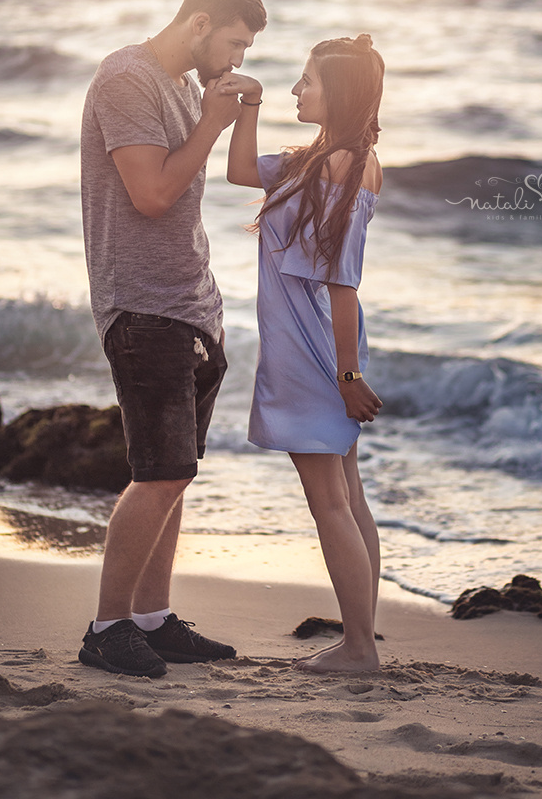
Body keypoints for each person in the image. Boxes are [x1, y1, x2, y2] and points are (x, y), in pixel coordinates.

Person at [78, 0, 267, 678]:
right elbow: (152, 194)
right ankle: (107, 628)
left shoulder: (189, 88)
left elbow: (195, 183)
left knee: (176, 475)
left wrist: (228, 115)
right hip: (142, 306)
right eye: (235, 43)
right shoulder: (126, 79)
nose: (238, 58)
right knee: (156, 474)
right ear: (199, 23)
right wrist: (214, 122)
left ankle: (153, 619)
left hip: (191, 306)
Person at [224, 34, 384, 673]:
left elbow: (343, 281)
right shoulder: (316, 160)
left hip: (311, 349)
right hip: (313, 342)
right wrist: (250, 105)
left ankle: (360, 648)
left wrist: (346, 374)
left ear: (337, 93)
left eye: (308, 81)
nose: (297, 89)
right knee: (348, 495)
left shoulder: (342, 165)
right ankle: (361, 639)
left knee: (332, 503)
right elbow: (240, 171)